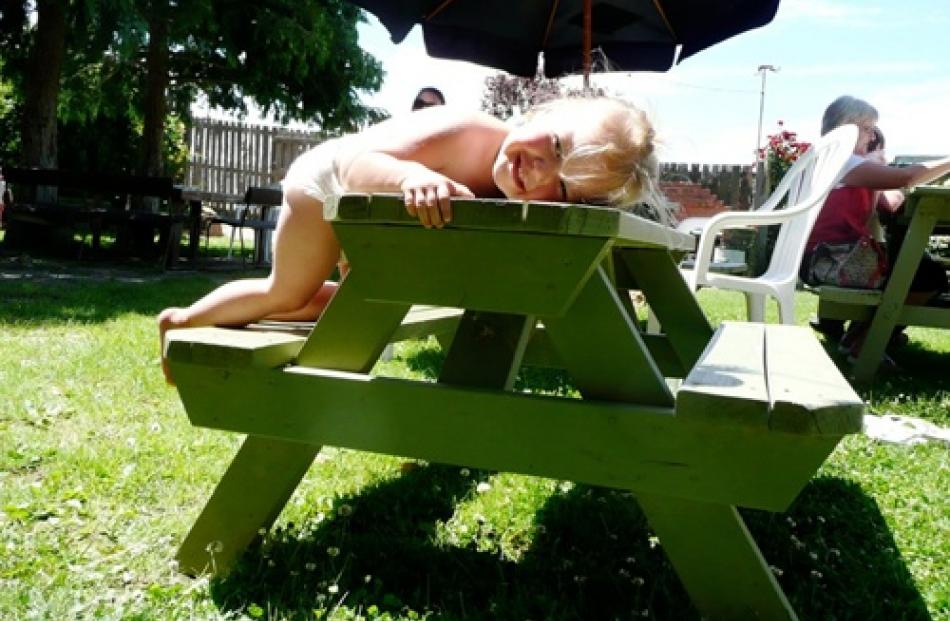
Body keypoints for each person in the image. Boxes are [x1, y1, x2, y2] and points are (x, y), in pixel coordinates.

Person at [159, 96, 666, 383]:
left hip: (374, 219)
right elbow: (358, 164)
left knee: (340, 300)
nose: (535, 172)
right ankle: (180, 322)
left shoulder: (518, 187)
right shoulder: (465, 131)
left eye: (563, 186)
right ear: (540, 115)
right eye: (553, 145)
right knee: (286, 293)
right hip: (326, 183)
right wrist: (407, 179)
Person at [802, 95, 950, 358]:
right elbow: (905, 177)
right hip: (832, 260)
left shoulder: (839, 162)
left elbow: (891, 201)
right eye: (868, 128)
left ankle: (859, 336)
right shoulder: (842, 160)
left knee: (919, 269)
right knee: (926, 274)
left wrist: (883, 175)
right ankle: (865, 344)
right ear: (847, 126)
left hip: (828, 257)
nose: (872, 137)